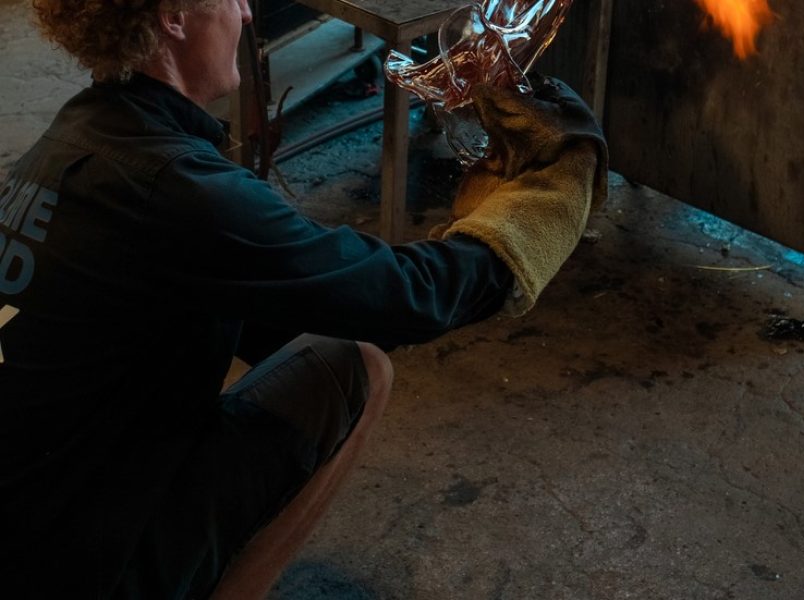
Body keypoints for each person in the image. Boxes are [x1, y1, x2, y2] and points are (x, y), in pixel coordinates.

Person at [0, 0, 606, 598]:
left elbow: (270, 302)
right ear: (174, 17)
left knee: (320, 335)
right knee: (358, 367)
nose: (244, 14)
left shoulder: (77, 137)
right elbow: (410, 298)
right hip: (67, 572)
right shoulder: (175, 189)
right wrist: (542, 199)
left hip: (31, 522)